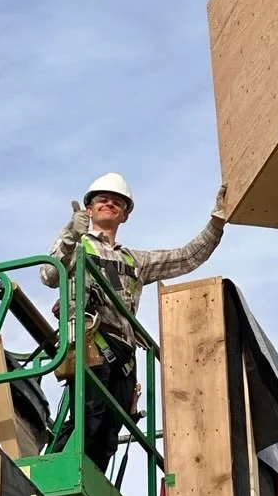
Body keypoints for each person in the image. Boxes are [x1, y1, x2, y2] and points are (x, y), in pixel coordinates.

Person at [40, 174, 227, 472]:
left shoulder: (134, 261)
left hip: (123, 357)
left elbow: (186, 257)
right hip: (91, 344)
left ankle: (91, 482)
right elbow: (49, 276)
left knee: (109, 434)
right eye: (102, 199)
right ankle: (59, 471)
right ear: (89, 208)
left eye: (118, 201)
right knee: (90, 418)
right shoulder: (78, 247)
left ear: (125, 214)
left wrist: (217, 221)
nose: (110, 203)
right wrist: (69, 235)